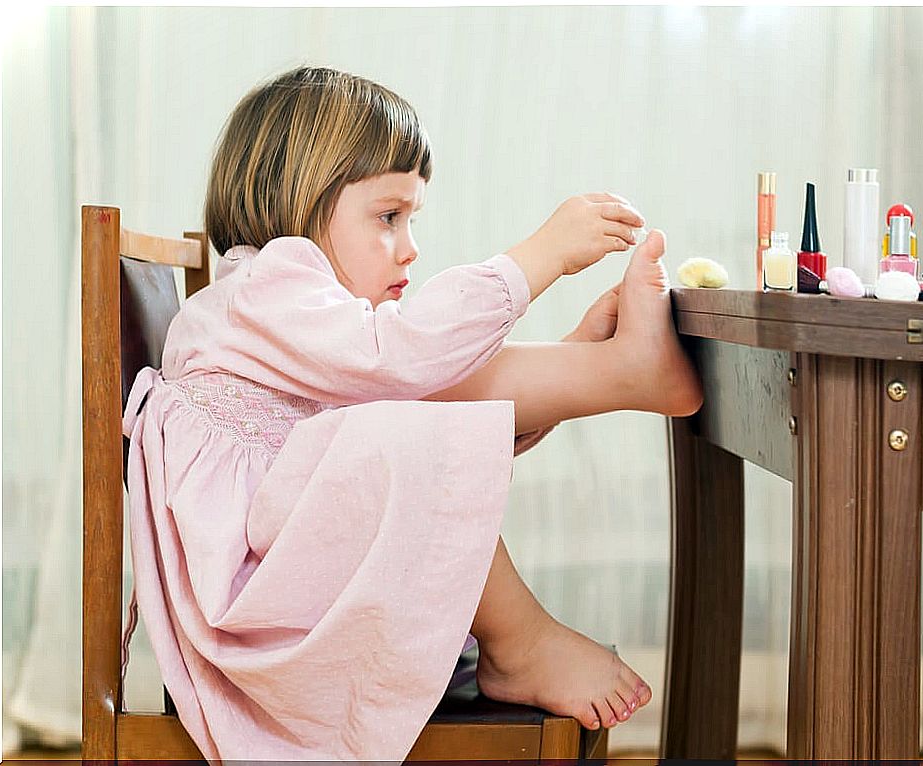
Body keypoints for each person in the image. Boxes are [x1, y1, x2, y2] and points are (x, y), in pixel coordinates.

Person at [121, 66, 703, 763]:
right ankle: (521, 639)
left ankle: (609, 371)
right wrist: (536, 260)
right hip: (259, 617)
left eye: (411, 220)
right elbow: (402, 365)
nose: (410, 245)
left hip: (287, 581)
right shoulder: (269, 284)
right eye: (388, 216)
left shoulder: (279, 314)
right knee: (400, 410)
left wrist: (564, 366)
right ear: (300, 200)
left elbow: (427, 392)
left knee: (409, 401)